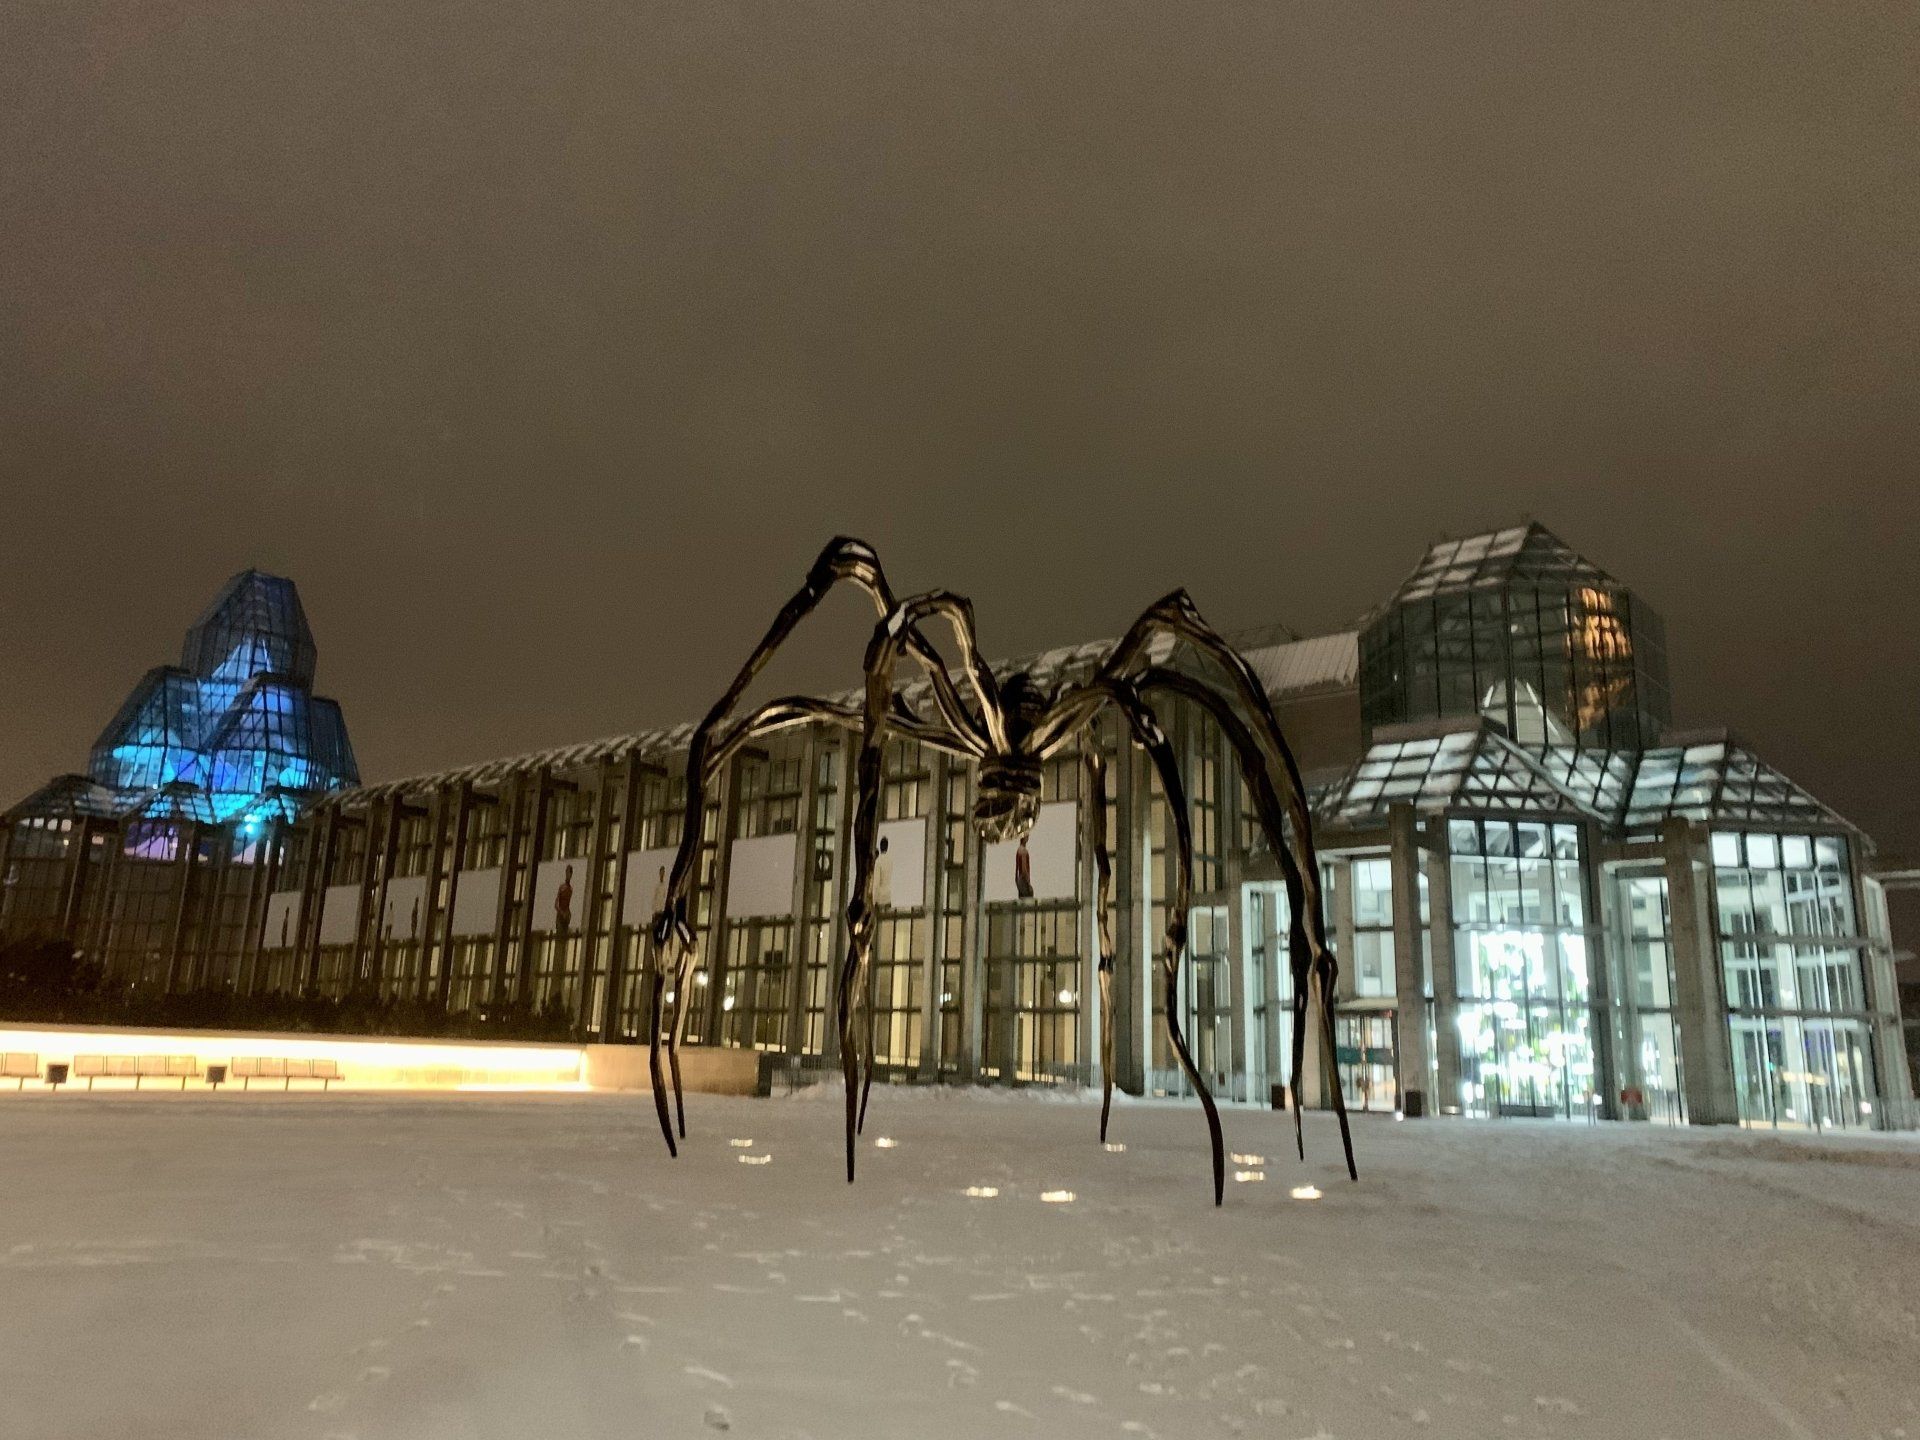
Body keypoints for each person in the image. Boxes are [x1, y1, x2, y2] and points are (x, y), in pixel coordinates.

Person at [873, 835, 893, 912]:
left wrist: (874, 901)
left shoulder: (878, 862)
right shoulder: (890, 861)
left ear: (880, 846)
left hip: (880, 898)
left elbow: (876, 883)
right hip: (888, 896)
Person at [555, 863, 574, 933]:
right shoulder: (562, 887)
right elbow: (556, 904)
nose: (568, 875)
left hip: (566, 918)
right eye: (567, 872)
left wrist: (568, 914)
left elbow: (568, 904)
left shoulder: (571, 889)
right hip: (560, 917)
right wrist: (562, 913)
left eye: (570, 873)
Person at [1014, 833, 1034, 900]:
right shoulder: (1023, 851)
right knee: (1028, 901)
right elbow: (1023, 867)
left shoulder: (1019, 850)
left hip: (1019, 880)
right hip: (1023, 880)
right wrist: (1027, 882)